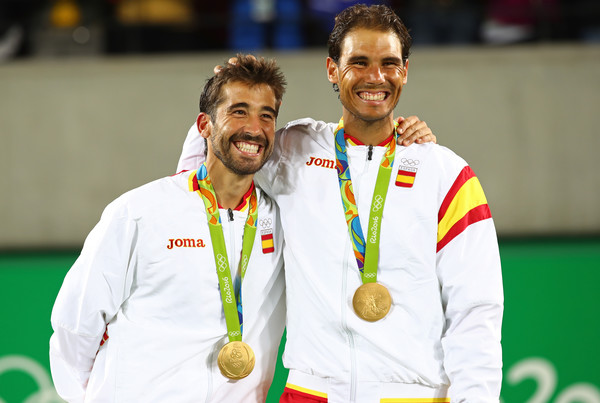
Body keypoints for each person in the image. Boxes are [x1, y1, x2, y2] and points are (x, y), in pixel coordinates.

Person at [178, 5, 503, 403]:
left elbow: (476, 309)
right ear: (332, 70)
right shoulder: (294, 150)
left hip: (413, 395)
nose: (375, 77)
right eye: (359, 62)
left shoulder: (447, 175)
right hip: (311, 392)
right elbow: (197, 188)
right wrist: (219, 107)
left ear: (405, 71)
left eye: (389, 63)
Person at [49, 55, 287, 402]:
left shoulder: (281, 222)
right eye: (239, 111)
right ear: (204, 126)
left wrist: (396, 143)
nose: (254, 127)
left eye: (266, 115)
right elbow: (76, 326)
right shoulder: (140, 212)